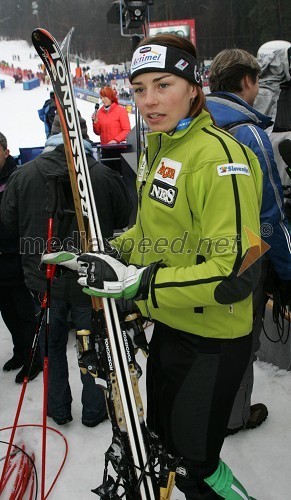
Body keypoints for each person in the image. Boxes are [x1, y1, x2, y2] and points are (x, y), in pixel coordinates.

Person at [45, 34, 263, 499]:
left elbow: (235, 273)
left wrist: (138, 285)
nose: (148, 101)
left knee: (195, 468)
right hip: (169, 327)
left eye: (163, 85)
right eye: (139, 88)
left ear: (193, 86)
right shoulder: (161, 147)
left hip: (213, 342)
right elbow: (152, 234)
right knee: (163, 452)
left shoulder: (221, 157)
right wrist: (112, 252)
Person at [1, 115, 132, 426]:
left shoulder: (24, 175)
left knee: (52, 347)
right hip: (86, 283)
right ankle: (93, 410)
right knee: (93, 347)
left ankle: (60, 409)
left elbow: (7, 220)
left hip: (46, 283)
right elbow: (123, 217)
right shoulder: (101, 174)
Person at [206, 48, 291, 435]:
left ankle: (205, 407)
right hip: (244, 258)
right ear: (246, 82)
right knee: (241, 343)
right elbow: (269, 214)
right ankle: (233, 417)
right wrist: (287, 270)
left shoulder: (194, 125)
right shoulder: (250, 134)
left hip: (201, 256)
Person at [0, 132, 42, 384]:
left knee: (24, 312)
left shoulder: (18, 177)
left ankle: (33, 358)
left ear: (6, 151)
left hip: (16, 256)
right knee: (7, 312)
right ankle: (20, 352)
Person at [93, 86, 131, 173]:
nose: (103, 100)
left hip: (118, 149)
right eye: (101, 97)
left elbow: (126, 130)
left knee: (119, 174)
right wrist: (95, 123)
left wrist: (115, 140)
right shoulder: (99, 112)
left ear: (111, 97)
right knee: (108, 176)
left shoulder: (120, 110)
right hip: (105, 149)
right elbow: (98, 132)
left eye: (105, 97)